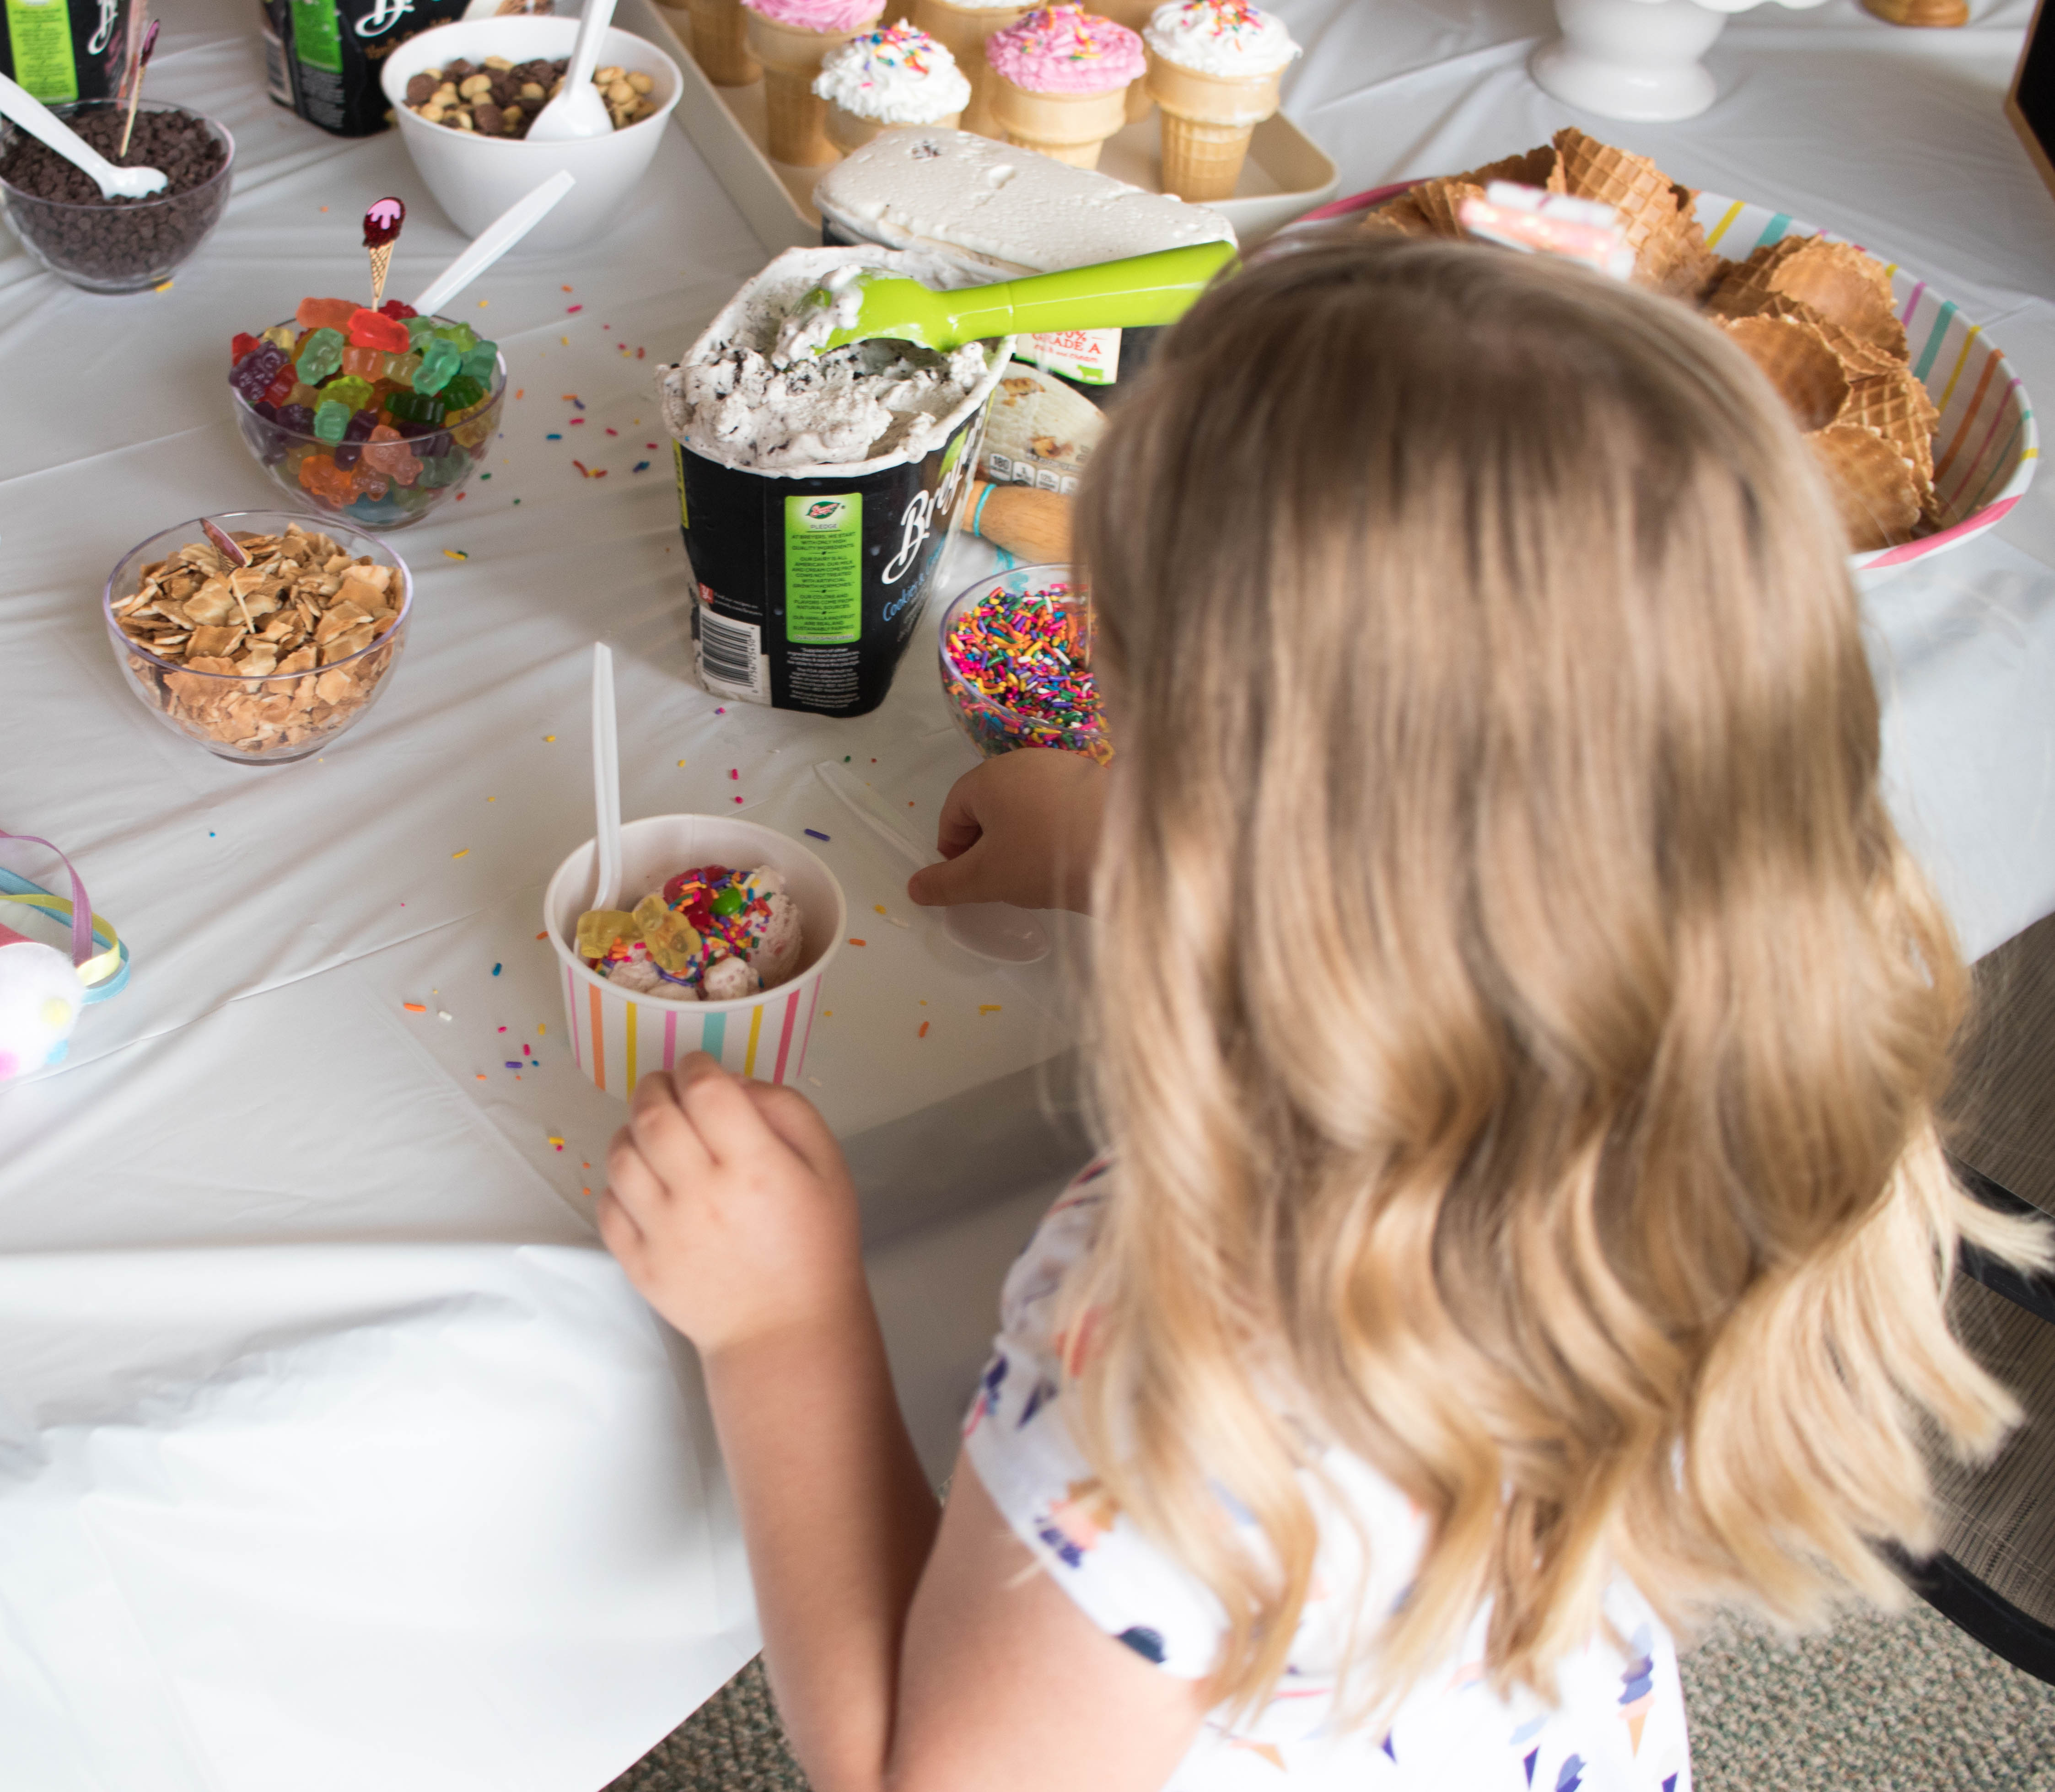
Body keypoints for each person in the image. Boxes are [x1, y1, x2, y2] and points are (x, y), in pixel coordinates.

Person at [594, 236, 2050, 1792]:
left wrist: (784, 1326)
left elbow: (918, 1779)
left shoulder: (1191, 1355)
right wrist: (1117, 843)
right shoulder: (1752, 1063)